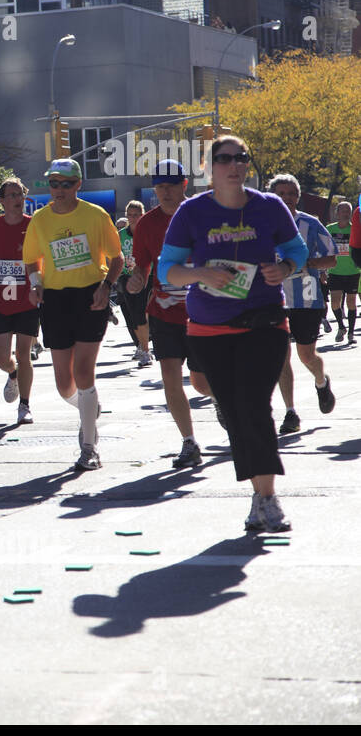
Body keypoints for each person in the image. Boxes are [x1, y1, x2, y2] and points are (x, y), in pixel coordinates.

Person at [159, 135, 306, 533]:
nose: (234, 165)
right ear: (210, 168)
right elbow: (166, 269)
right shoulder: (192, 213)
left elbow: (298, 251)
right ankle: (258, 495)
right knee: (237, 413)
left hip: (264, 323)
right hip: (209, 330)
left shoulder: (269, 207)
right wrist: (201, 274)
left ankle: (267, 497)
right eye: (224, 159)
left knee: (255, 405)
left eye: (241, 157)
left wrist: (287, 268)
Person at [23, 158, 124, 471]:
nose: (60, 190)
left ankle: (89, 446)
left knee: (83, 371)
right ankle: (88, 407)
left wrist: (106, 287)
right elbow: (31, 261)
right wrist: (36, 285)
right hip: (55, 300)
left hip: (90, 296)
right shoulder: (39, 220)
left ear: (78, 184)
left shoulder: (95, 216)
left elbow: (117, 258)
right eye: (54, 183)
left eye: (66, 184)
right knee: (63, 384)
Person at [126, 160, 214, 468]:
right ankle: (189, 442)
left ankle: (221, 401)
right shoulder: (147, 224)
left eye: (171, 186)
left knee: (202, 383)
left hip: (202, 312)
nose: (164, 192)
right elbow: (142, 266)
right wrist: (137, 280)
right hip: (163, 312)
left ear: (184, 185)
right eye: (159, 186)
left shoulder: (203, 216)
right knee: (170, 378)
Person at [267, 175, 337, 434]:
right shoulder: (261, 226)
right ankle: (290, 412)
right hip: (273, 299)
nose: (286, 198)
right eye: (281, 193)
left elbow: (332, 259)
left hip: (307, 299)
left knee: (306, 355)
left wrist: (309, 264)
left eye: (291, 194)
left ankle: (321, 381)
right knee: (280, 357)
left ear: (298, 197)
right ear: (272, 196)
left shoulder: (310, 224)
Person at [0, 177, 38, 425]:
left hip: (27, 298)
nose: (17, 200)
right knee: (3, 358)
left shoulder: (34, 225)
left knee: (24, 353)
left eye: (20, 195)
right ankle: (12, 374)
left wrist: (39, 284)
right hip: (0, 300)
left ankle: (24, 405)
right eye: (11, 195)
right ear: (2, 201)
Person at [118, 200, 152, 366]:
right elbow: (116, 256)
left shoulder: (147, 233)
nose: (133, 218)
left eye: (136, 215)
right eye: (130, 215)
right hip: (128, 277)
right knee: (134, 315)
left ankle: (146, 348)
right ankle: (143, 347)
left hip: (147, 275)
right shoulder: (121, 235)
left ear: (143, 215)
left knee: (145, 313)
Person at [325, 201, 358, 344]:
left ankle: (351, 333)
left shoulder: (356, 229)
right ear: (337, 213)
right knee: (335, 303)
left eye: (347, 211)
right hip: (335, 271)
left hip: (352, 271)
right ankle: (341, 327)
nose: (345, 213)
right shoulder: (329, 229)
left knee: (351, 302)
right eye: (342, 211)